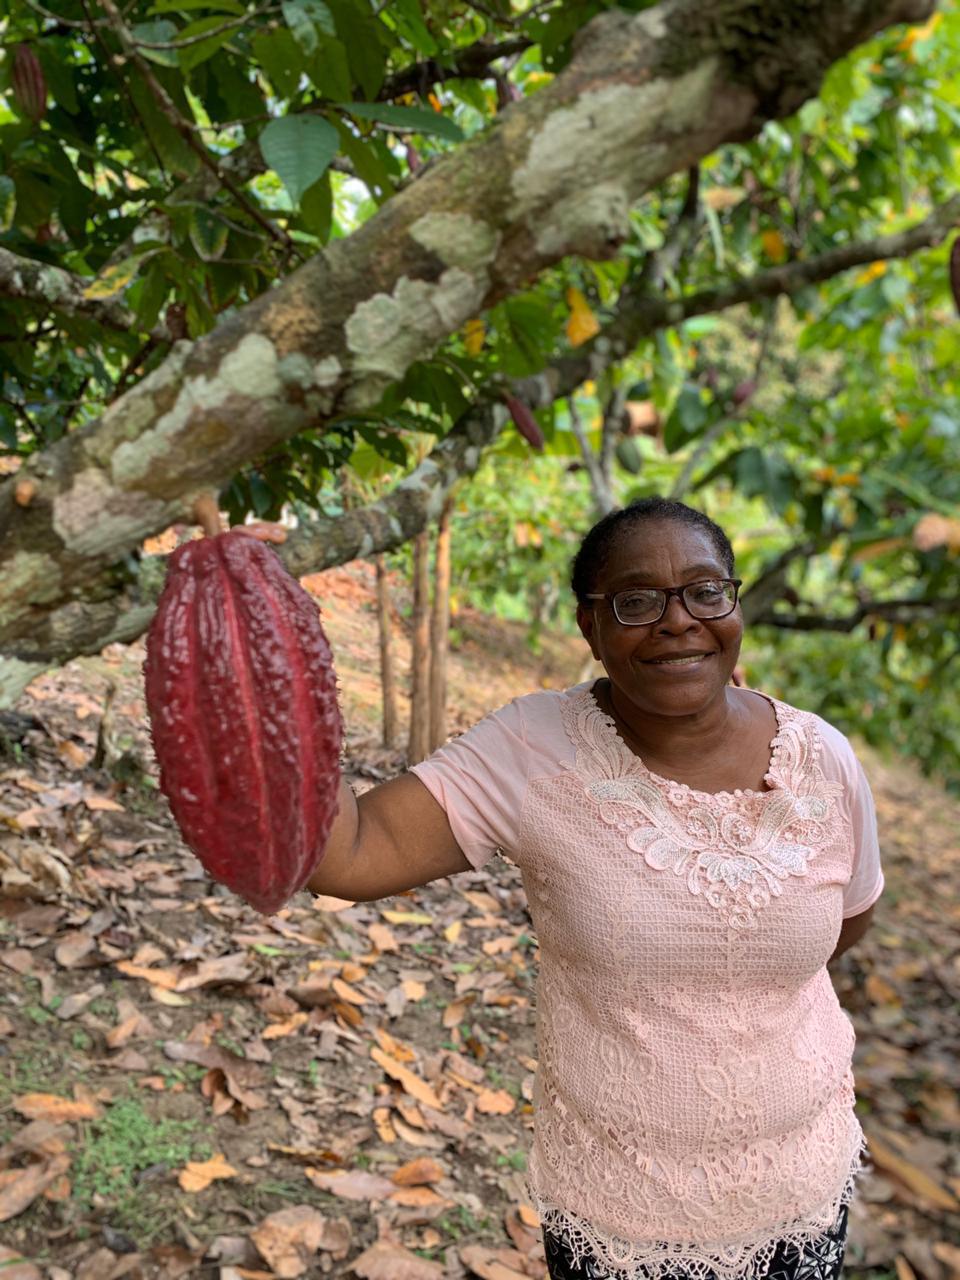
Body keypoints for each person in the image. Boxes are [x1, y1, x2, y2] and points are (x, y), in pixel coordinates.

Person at [302, 497, 883, 1280]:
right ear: (589, 626)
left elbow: (846, 922)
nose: (679, 621)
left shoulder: (823, 757)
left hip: (804, 1185)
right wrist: (280, 656)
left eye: (706, 592)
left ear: (733, 605)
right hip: (623, 1217)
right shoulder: (533, 749)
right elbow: (350, 854)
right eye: (636, 602)